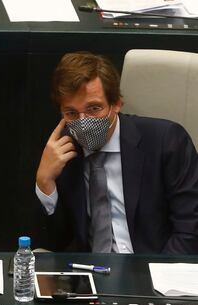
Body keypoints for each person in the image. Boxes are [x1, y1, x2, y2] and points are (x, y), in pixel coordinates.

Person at [35, 51, 198, 254]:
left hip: (154, 273)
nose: (83, 122)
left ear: (117, 104)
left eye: (94, 108)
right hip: (91, 277)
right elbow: (56, 245)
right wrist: (45, 183)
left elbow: (190, 230)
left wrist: (155, 278)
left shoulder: (167, 141)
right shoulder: (61, 153)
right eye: (71, 113)